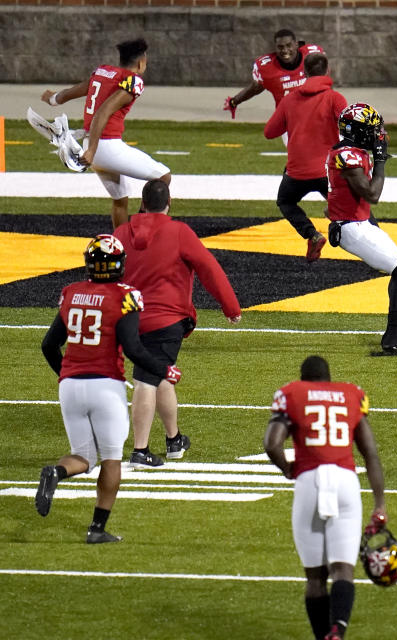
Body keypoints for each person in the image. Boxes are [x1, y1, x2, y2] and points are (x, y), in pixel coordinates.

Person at [37, 234, 182, 543]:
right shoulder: (126, 295)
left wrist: (66, 375)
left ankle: (56, 472)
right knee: (111, 459)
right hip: (105, 385)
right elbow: (133, 348)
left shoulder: (71, 292)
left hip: (70, 386)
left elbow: (49, 345)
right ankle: (97, 528)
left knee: (83, 456)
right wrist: (164, 369)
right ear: (119, 265)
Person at [112, 179, 242, 467]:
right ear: (169, 203)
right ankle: (140, 450)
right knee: (146, 380)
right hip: (166, 319)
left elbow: (110, 274)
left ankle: (174, 440)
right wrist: (230, 306)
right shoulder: (179, 232)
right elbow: (209, 268)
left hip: (130, 318)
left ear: (142, 203)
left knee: (161, 375)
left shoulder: (122, 232)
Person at [263, 355, 387, 640]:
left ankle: (323, 636)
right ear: (328, 378)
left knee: (315, 578)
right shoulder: (351, 394)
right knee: (343, 569)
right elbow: (370, 454)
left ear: (304, 379)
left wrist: (287, 469)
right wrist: (380, 505)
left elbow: (271, 443)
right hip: (345, 482)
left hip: (309, 482)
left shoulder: (291, 393)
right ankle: (338, 630)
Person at [40, 38, 171, 230]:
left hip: (92, 145)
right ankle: (142, 227)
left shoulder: (103, 72)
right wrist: (92, 150)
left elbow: (72, 92)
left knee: (120, 199)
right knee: (164, 177)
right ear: (141, 62)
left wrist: (52, 99)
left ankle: (121, 244)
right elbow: (103, 112)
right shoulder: (133, 81)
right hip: (105, 146)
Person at [327, 103, 397, 356]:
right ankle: (391, 337)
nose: (379, 134)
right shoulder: (347, 155)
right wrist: (381, 161)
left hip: (360, 221)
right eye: (373, 129)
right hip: (351, 227)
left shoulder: (352, 151)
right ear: (357, 131)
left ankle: (394, 333)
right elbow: (372, 193)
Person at [264, 52, 348, 262]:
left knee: (285, 201)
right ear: (328, 71)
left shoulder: (290, 99)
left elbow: (269, 132)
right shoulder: (334, 98)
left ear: (304, 72)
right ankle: (379, 246)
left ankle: (312, 234)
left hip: (297, 172)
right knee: (353, 209)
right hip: (327, 171)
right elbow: (350, 126)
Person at [224, 28, 325, 138]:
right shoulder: (267, 68)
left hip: (316, 115)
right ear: (275, 49)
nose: (285, 50)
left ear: (296, 45)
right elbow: (255, 88)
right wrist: (234, 101)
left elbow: (325, 79)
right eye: (280, 47)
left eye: (288, 45)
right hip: (290, 121)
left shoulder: (312, 56)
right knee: (303, 153)